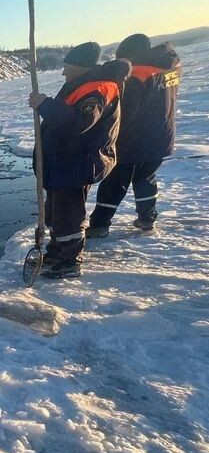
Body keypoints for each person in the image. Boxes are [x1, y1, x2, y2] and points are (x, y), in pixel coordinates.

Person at [28, 42, 130, 279]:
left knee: (68, 215)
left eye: (67, 66)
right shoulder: (82, 85)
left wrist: (45, 104)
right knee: (56, 212)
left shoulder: (98, 89)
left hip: (76, 163)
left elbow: (78, 123)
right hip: (64, 161)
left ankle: (69, 261)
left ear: (81, 67)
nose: (63, 72)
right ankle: (57, 251)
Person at [87, 34, 181, 236]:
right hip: (162, 135)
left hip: (134, 140)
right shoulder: (169, 66)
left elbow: (127, 113)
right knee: (145, 177)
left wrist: (109, 134)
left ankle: (99, 225)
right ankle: (147, 218)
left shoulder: (136, 74)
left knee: (114, 181)